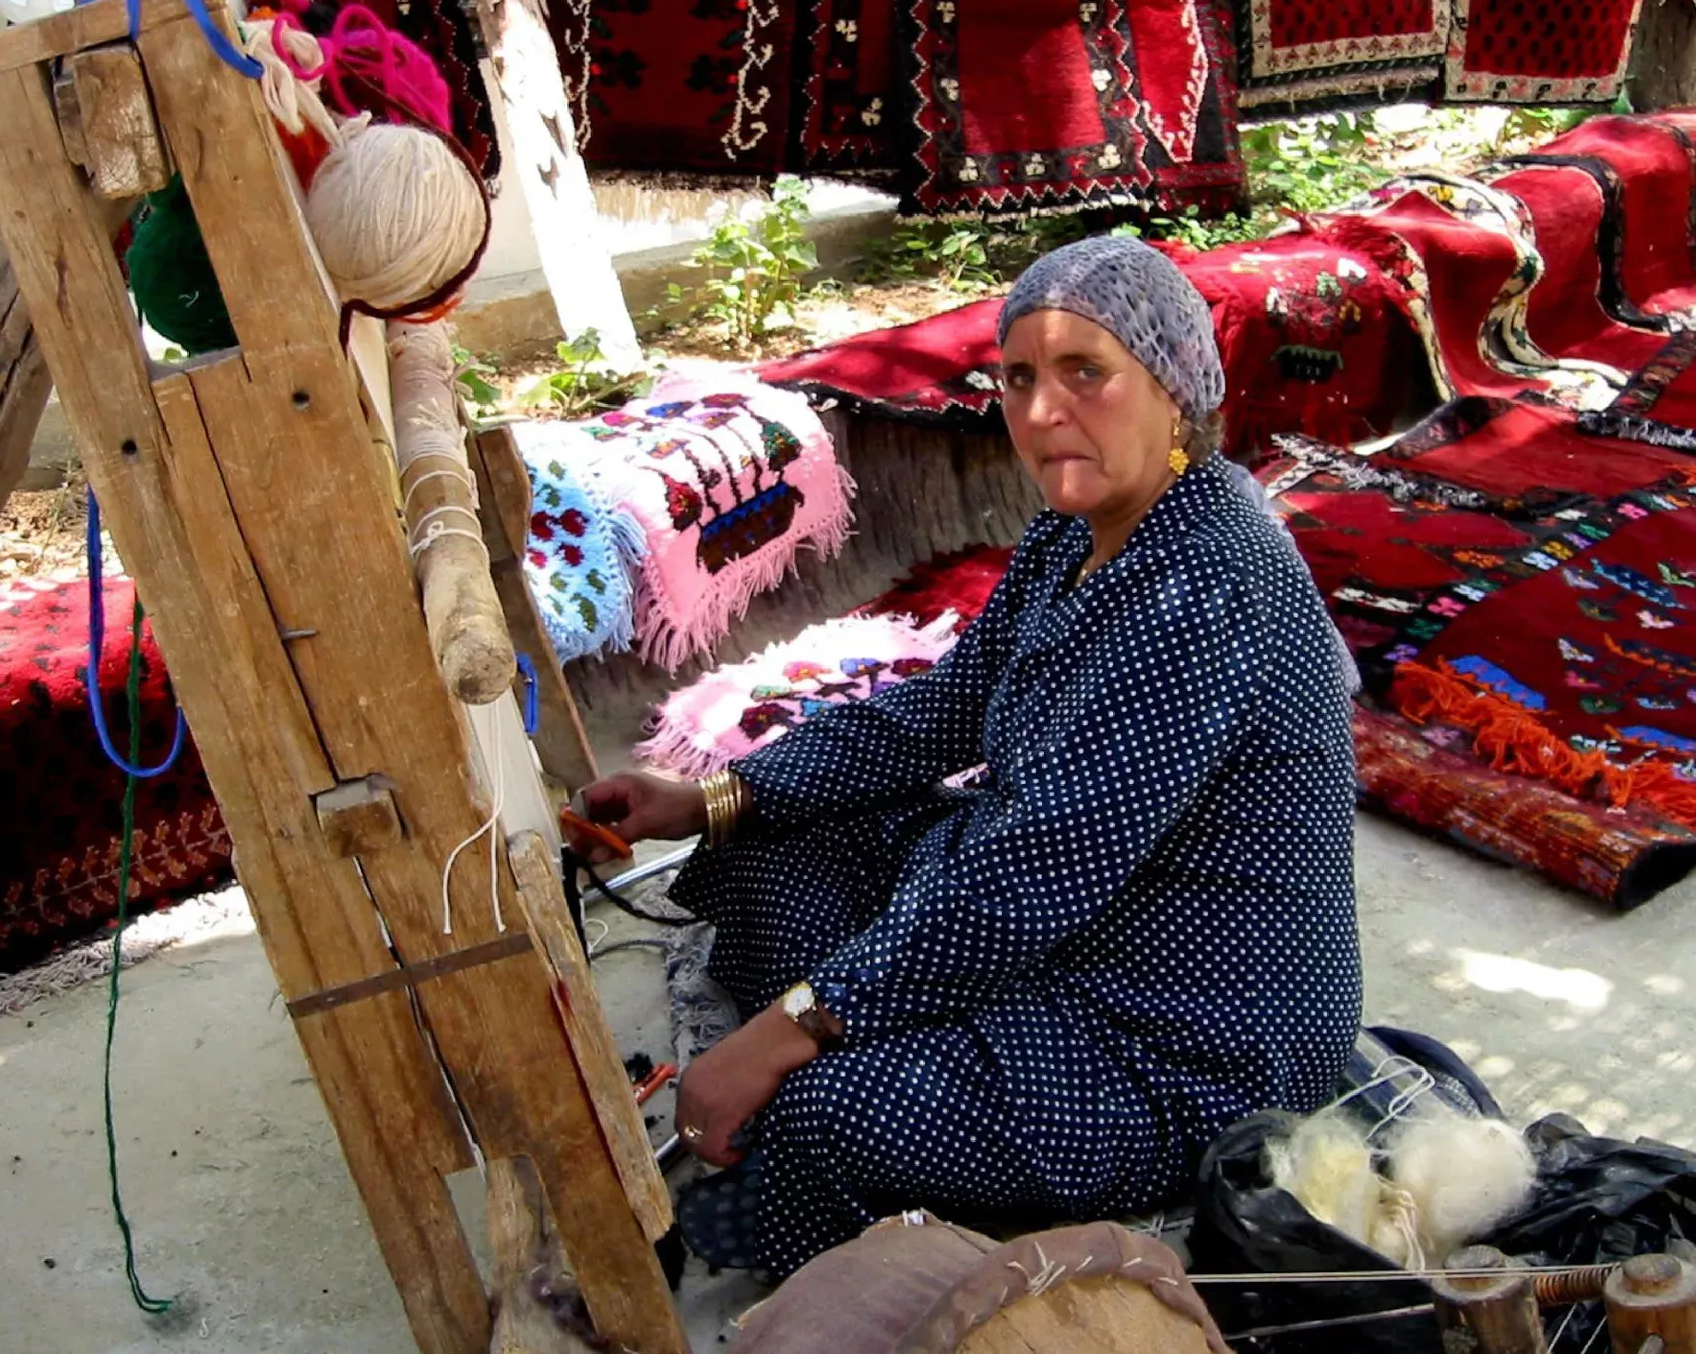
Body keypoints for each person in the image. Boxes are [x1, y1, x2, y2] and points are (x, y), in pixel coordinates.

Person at [576, 235, 1362, 1278]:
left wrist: (792, 1028)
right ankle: (873, 1042)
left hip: (1187, 1035)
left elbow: (1032, 876)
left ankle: (856, 1185)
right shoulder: (1072, 535)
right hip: (1069, 925)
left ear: (1173, 387)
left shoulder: (1203, 589)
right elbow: (939, 713)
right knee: (768, 854)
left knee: (818, 1111)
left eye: (1086, 373)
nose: (1040, 415)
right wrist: (710, 797)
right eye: (1019, 378)